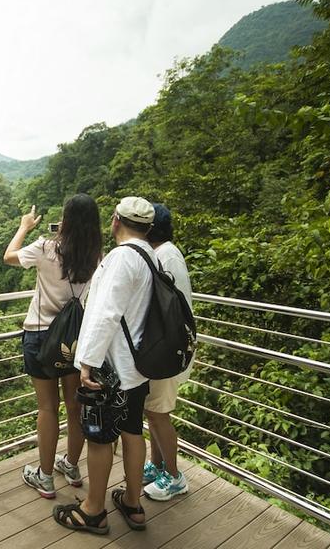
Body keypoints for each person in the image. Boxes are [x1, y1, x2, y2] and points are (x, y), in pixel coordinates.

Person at [53, 196, 155, 535]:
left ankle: (93, 511)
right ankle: (132, 503)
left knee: (98, 438)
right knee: (132, 431)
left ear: (115, 221)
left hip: (111, 369)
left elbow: (105, 312)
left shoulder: (120, 258)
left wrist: (87, 364)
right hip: (138, 367)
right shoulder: (150, 256)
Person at [4, 194, 103, 499]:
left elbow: (9, 256)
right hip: (75, 339)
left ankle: (45, 477)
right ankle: (71, 466)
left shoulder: (46, 248)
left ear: (66, 219)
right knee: (75, 407)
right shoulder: (97, 255)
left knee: (48, 408)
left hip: (40, 337)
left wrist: (24, 227)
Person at [142, 203, 194, 500]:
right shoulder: (167, 252)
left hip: (167, 350)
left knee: (159, 414)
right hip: (166, 348)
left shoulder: (163, 257)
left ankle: (175, 477)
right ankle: (157, 465)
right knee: (153, 410)